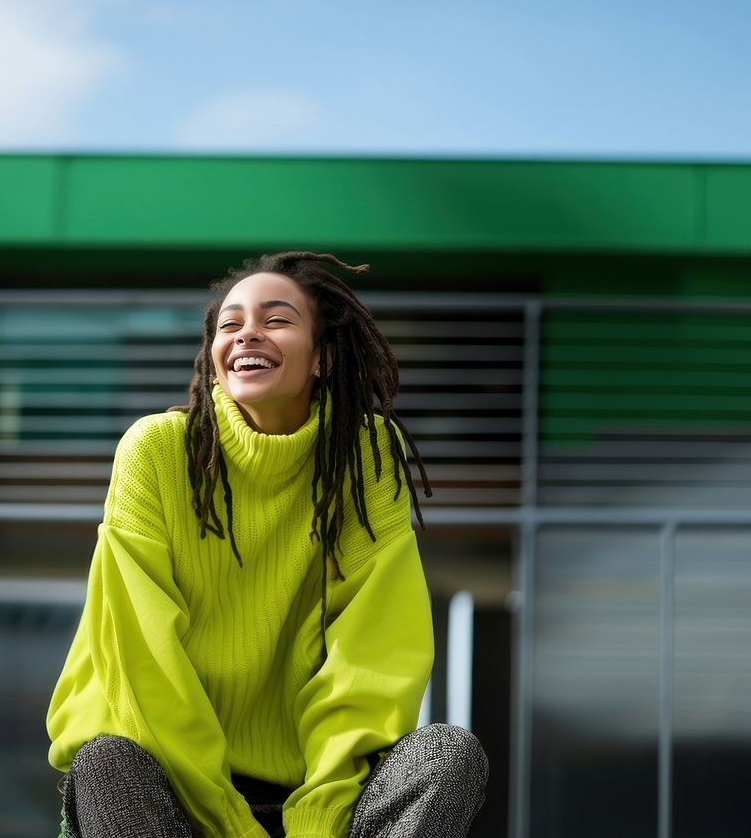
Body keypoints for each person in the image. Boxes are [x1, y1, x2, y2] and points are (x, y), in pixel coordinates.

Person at [46, 252, 488, 838]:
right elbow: (140, 663)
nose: (247, 332)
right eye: (229, 324)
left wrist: (316, 820)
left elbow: (373, 661)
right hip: (171, 787)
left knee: (449, 757)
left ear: (322, 358)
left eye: (276, 319)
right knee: (108, 763)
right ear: (212, 359)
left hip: (313, 796)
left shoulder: (365, 459)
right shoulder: (155, 451)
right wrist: (230, 822)